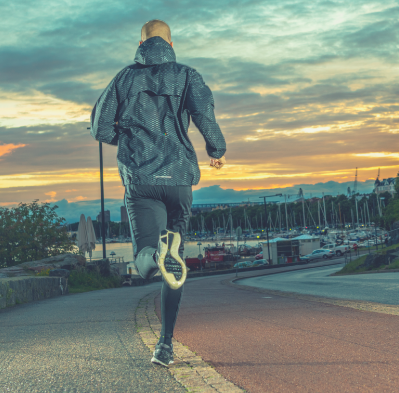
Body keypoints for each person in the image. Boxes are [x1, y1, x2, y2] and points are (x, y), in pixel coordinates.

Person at [90, 19, 226, 367]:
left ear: (141, 41)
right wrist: (217, 150)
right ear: (170, 41)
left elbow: (100, 127)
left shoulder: (124, 78)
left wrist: (129, 138)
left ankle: (156, 253)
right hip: (179, 180)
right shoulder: (187, 75)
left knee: (146, 263)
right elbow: (204, 115)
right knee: (174, 269)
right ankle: (165, 344)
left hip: (142, 179)